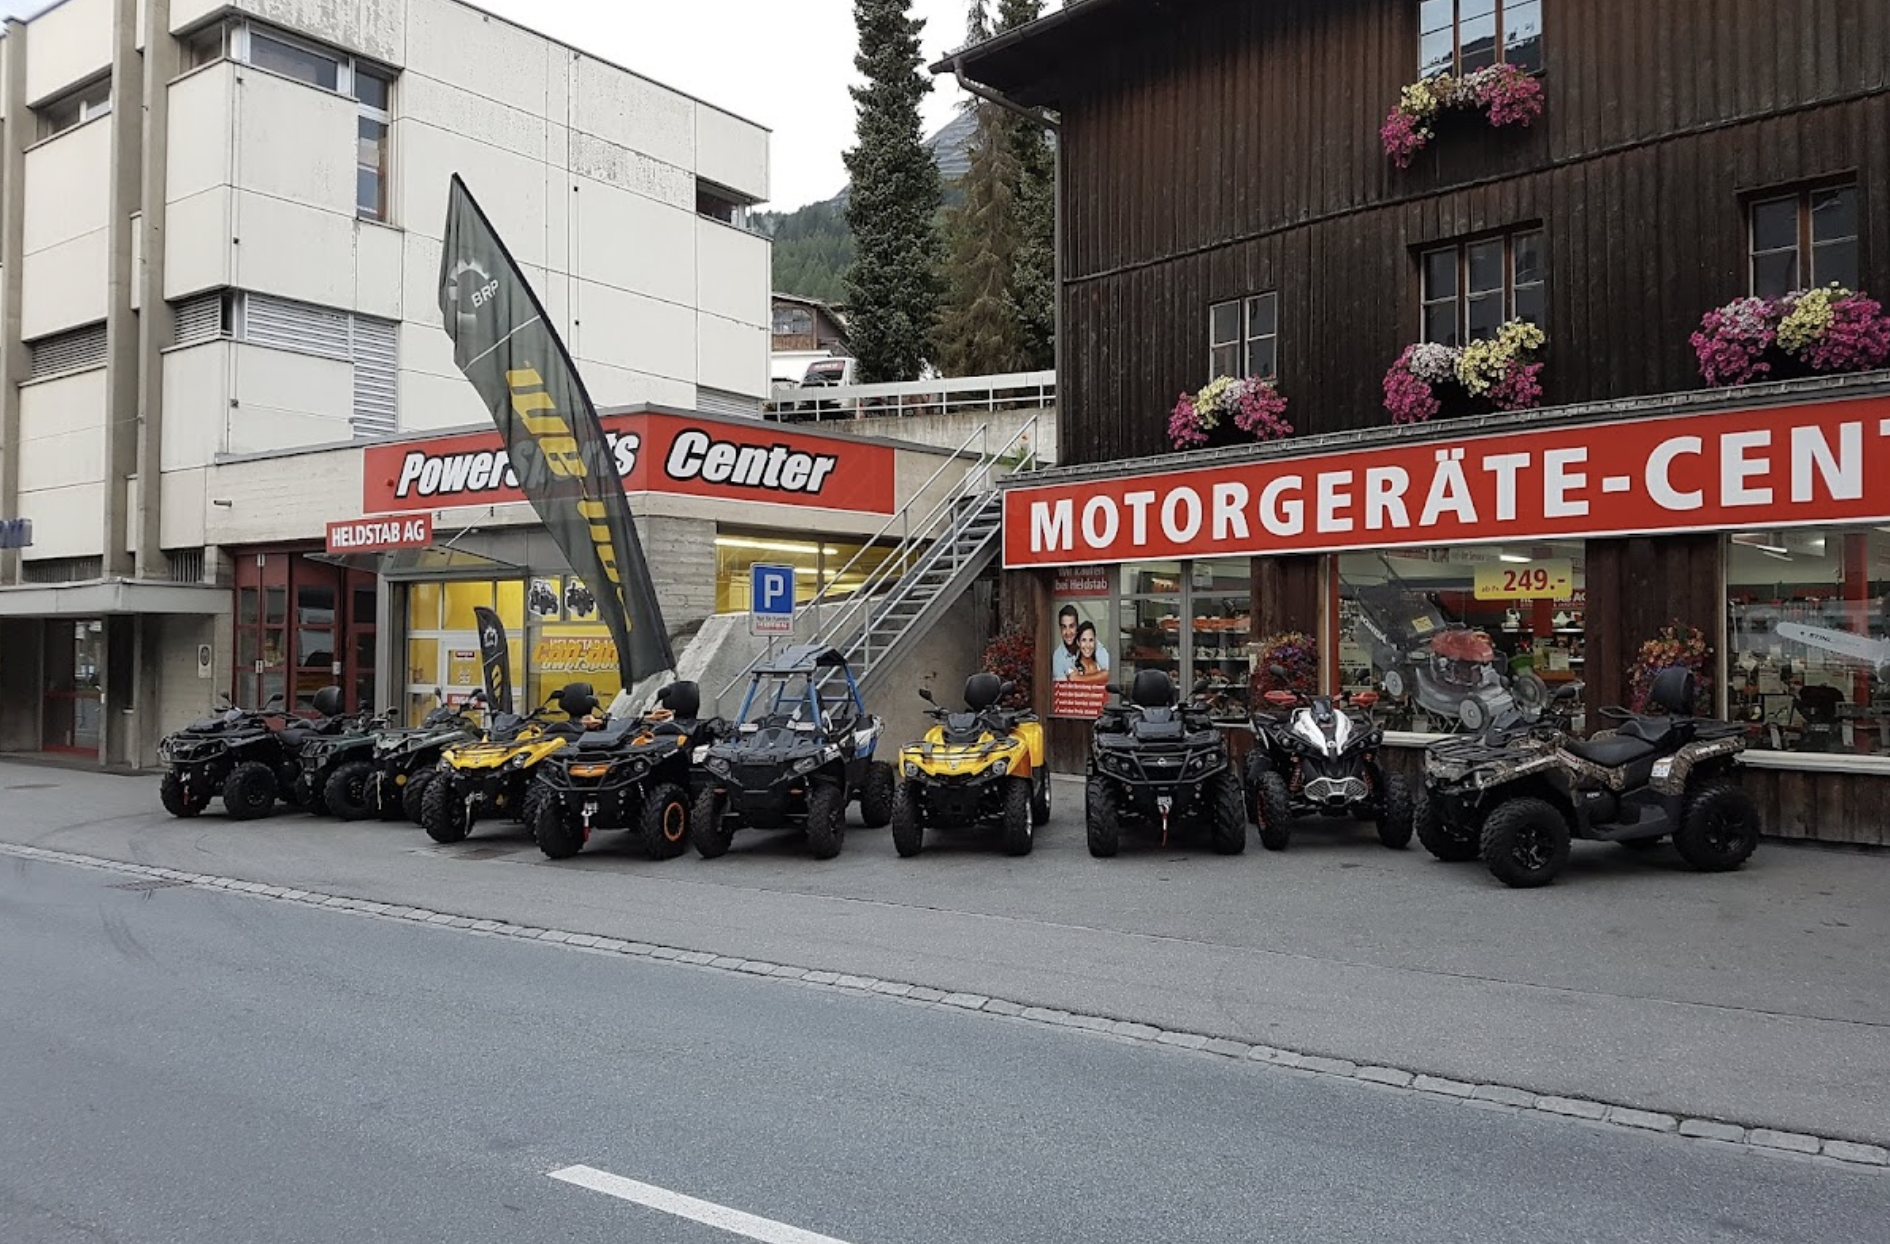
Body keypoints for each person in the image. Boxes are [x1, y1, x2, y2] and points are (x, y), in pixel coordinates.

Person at [1052, 604, 1111, 680]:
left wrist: (1080, 679)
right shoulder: (1058, 657)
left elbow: (1110, 671)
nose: (1068, 632)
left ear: (1077, 626)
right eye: (1064, 627)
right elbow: (1063, 688)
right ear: (1060, 628)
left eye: (1071, 626)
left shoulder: (1090, 642)